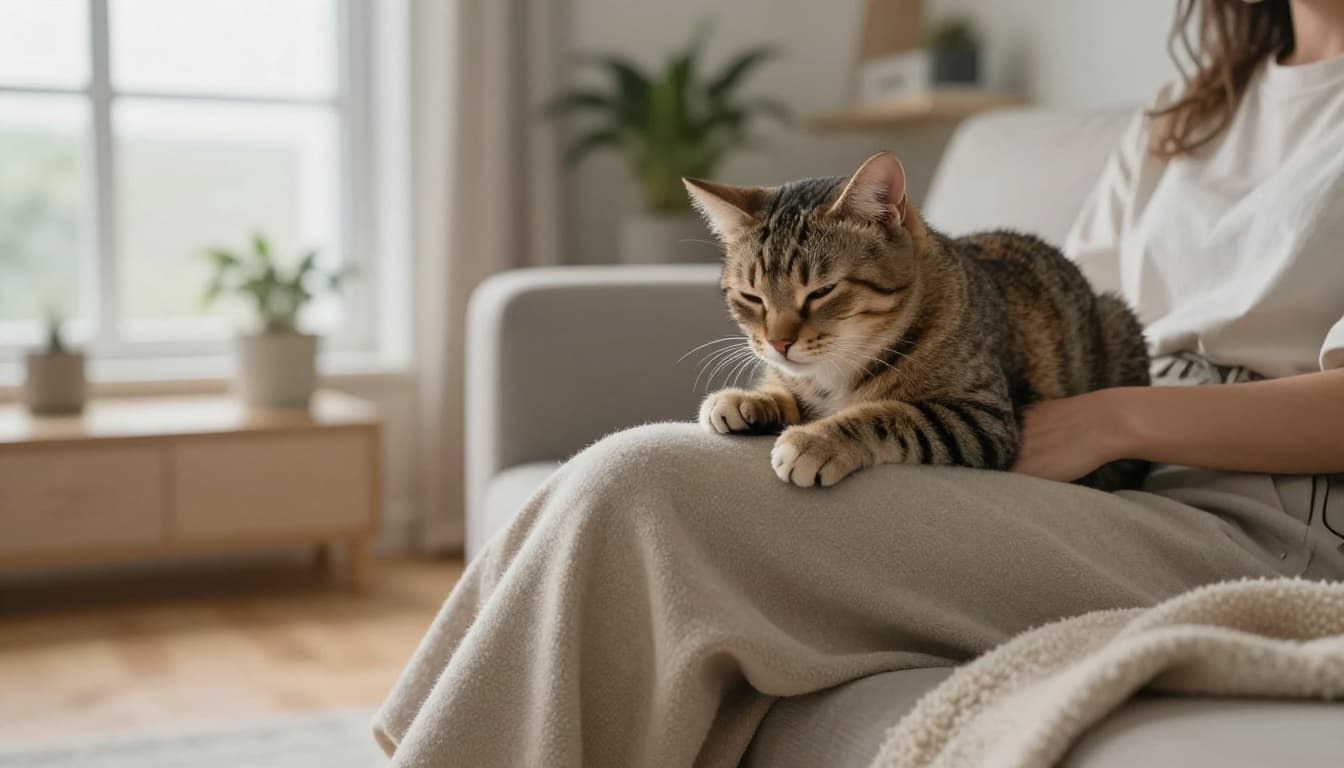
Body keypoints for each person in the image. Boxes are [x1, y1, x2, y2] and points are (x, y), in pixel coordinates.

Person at [375, 1, 1344, 765]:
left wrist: (1111, 419)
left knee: (644, 489)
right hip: (1094, 466)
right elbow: (1067, 305)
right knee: (624, 489)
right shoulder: (1192, 111)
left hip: (1259, 516)